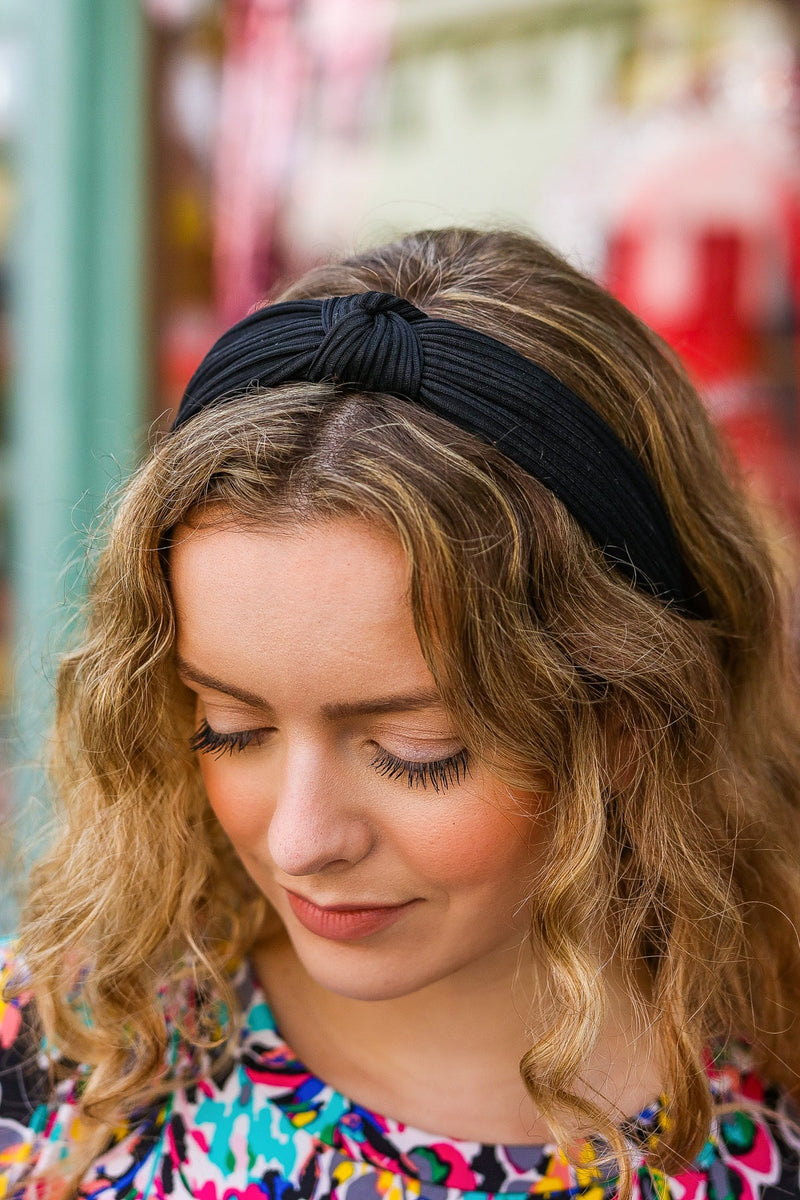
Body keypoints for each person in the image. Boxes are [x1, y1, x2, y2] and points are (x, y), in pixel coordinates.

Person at [1, 227, 800, 1200]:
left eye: (414, 750)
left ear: (629, 719)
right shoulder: (61, 1066)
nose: (299, 840)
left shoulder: (770, 1104)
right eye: (229, 726)